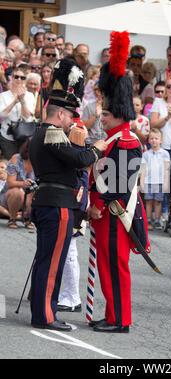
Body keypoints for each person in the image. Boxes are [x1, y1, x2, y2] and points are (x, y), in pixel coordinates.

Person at [28, 58, 107, 332]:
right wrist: (98, 146)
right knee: (52, 263)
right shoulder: (52, 133)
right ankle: (46, 315)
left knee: (46, 259)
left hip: (48, 201)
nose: (73, 121)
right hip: (57, 204)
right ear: (61, 114)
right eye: (71, 116)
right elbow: (80, 158)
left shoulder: (41, 132)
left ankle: (41, 308)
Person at [87, 31, 150, 333]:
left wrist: (98, 205)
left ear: (117, 114)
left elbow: (118, 184)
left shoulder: (124, 141)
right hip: (107, 213)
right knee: (107, 267)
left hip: (114, 213)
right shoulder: (115, 138)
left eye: (105, 114)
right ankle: (113, 313)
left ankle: (121, 319)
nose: (101, 119)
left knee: (115, 268)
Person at [57, 123, 90, 312]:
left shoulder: (77, 160)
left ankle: (73, 296)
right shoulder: (81, 158)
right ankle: (69, 293)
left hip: (75, 208)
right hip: (75, 206)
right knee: (68, 251)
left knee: (70, 252)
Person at [0, 66, 35, 159]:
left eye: (22, 78)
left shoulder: (30, 96)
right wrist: (14, 102)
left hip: (24, 136)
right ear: (11, 78)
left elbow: (28, 118)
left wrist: (22, 100)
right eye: (16, 77)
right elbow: (2, 115)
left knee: (22, 164)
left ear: (25, 80)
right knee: (10, 163)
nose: (19, 79)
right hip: (7, 136)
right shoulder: (3, 96)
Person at [140, 128, 170, 230]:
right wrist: (142, 182)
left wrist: (166, 182)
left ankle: (157, 220)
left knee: (158, 201)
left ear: (161, 140)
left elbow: (167, 169)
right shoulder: (146, 154)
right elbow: (143, 169)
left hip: (160, 182)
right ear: (149, 140)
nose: (154, 140)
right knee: (148, 201)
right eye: (152, 138)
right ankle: (148, 220)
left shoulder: (165, 154)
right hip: (148, 181)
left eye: (156, 138)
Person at [5, 138, 35, 229]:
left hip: (30, 194)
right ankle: (12, 218)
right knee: (17, 192)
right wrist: (23, 184)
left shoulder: (41, 161)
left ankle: (28, 218)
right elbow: (10, 183)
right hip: (12, 194)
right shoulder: (17, 158)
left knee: (37, 192)